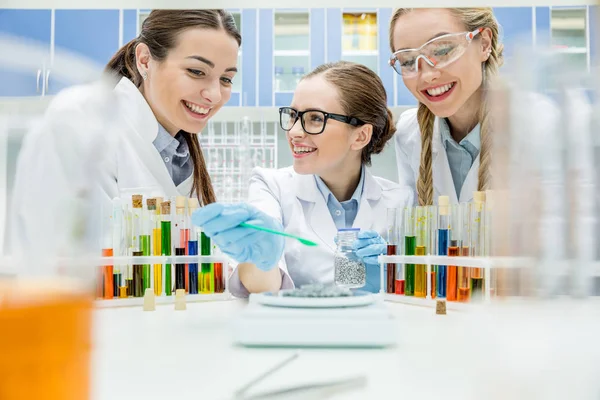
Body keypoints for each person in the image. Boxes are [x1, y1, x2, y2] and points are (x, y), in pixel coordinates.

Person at [11, 10, 243, 258]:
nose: (215, 95)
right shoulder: (82, 121)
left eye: (226, 79)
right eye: (196, 71)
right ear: (145, 60)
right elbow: (56, 261)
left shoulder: (181, 153)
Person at [192, 61, 414, 295]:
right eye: (293, 116)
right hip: (294, 329)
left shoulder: (401, 203)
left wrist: (391, 272)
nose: (294, 132)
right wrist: (262, 255)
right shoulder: (271, 186)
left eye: (316, 118)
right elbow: (260, 286)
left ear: (360, 136)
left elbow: (416, 294)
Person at [388, 8, 503, 206]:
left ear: (484, 43)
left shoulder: (538, 127)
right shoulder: (408, 133)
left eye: (442, 50)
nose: (426, 75)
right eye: (408, 61)